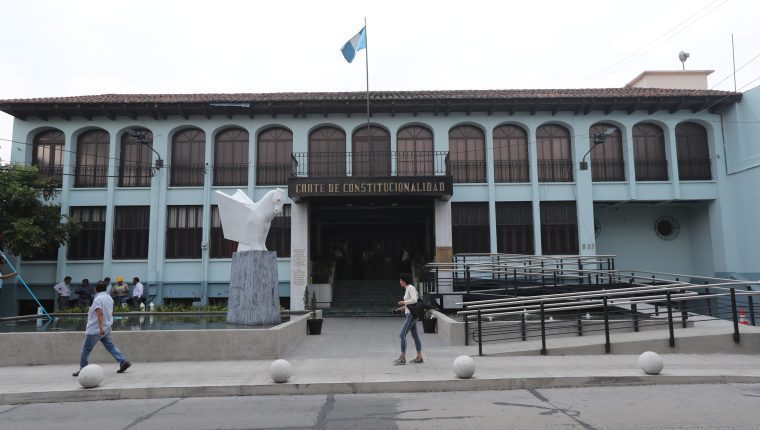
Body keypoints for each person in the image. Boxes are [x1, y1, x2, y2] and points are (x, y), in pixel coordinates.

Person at [73, 281, 131, 376]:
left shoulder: (97, 299)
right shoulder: (109, 298)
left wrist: (101, 328)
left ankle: (83, 369)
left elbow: (100, 313)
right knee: (110, 346)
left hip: (96, 329)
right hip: (107, 328)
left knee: (85, 350)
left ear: (96, 289)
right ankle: (123, 361)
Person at [393, 272, 423, 365]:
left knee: (402, 335)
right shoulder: (408, 289)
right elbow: (410, 304)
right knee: (415, 336)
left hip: (411, 315)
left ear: (404, 280)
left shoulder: (410, 288)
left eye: (401, 280)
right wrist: (400, 309)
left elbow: (414, 300)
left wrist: (403, 302)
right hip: (410, 314)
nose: (400, 282)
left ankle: (402, 358)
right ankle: (419, 357)